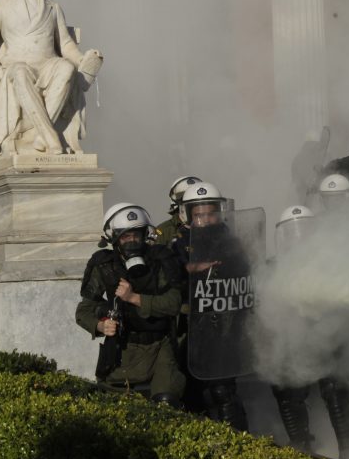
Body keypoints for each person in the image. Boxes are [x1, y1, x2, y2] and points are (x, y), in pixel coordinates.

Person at [0, 0, 104, 166]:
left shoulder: (53, 7)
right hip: (16, 67)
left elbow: (65, 44)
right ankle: (50, 139)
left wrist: (83, 60)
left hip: (48, 66)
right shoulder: (1, 5)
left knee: (66, 68)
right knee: (19, 72)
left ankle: (41, 137)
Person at [268, 205, 349, 459]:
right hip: (292, 339)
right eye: (292, 232)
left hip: (327, 336)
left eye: (305, 231)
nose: (298, 237)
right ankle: (300, 448)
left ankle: (348, 448)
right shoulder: (274, 265)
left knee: (335, 388)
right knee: (286, 387)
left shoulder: (330, 262)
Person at [75, 203, 186, 406]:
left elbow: (173, 303)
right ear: (114, 239)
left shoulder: (161, 260)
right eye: (126, 236)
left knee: (166, 402)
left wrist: (134, 298)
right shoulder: (104, 266)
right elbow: (83, 311)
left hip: (159, 347)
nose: (132, 241)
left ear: (146, 235)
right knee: (114, 409)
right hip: (122, 350)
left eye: (137, 235)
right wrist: (101, 325)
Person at [178, 181, 251, 431]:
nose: (206, 220)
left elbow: (245, 275)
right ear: (187, 215)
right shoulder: (179, 243)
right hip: (189, 330)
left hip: (223, 327)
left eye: (210, 214)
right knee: (192, 394)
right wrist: (192, 268)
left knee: (223, 390)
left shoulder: (231, 240)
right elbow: (168, 273)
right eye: (199, 215)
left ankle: (242, 444)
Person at [154, 175, 202, 247]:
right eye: (187, 201)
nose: (194, 206)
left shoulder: (213, 226)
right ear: (178, 204)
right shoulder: (163, 231)